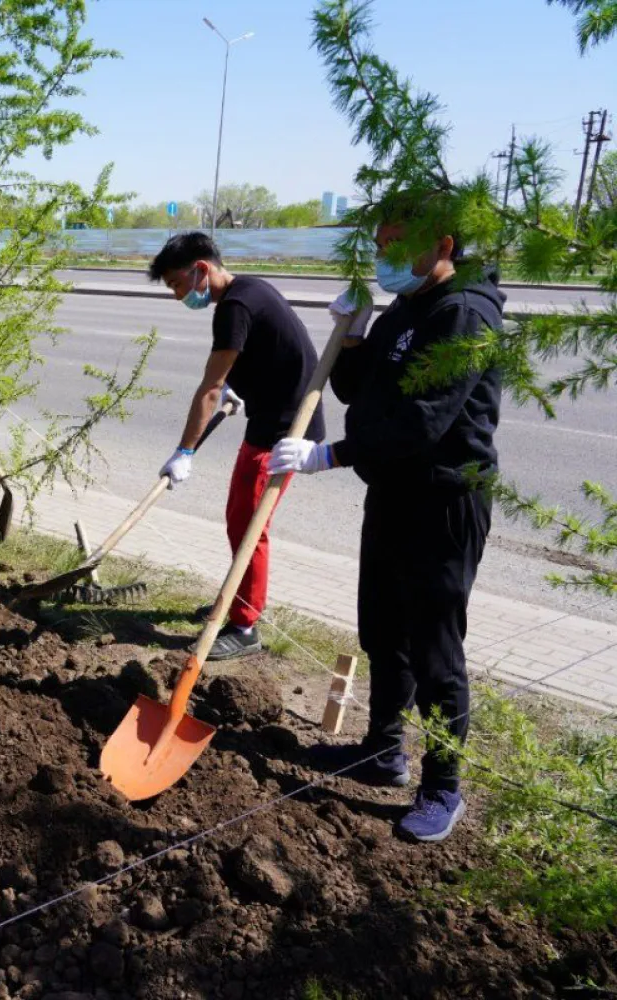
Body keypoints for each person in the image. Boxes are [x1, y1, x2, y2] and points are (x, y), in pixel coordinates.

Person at [268, 202, 503, 844]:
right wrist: (350, 338)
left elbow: (423, 420)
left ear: (443, 243)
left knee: (434, 648)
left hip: (445, 501)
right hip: (394, 495)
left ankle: (443, 787)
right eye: (380, 244)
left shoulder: (464, 314)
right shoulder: (407, 308)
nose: (385, 256)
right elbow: (360, 394)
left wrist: (330, 455)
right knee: (383, 629)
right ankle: (382, 752)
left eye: (398, 244)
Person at [148, 232, 326, 659]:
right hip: (271, 417)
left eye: (176, 284)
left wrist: (185, 451)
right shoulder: (248, 290)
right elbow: (260, 353)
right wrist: (239, 384)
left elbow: (209, 388)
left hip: (285, 430)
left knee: (249, 524)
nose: (177, 296)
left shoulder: (234, 307)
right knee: (238, 517)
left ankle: (245, 626)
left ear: (201, 270)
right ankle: (234, 599)